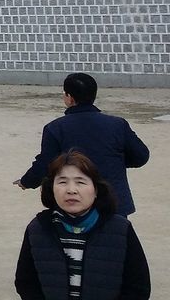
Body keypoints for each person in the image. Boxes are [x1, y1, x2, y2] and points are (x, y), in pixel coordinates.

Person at [15, 150, 150, 300]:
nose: (71, 190)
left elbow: (138, 287)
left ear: (96, 189)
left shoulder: (120, 229)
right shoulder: (38, 229)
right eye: (62, 182)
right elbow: (25, 282)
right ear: (51, 189)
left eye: (80, 182)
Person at [15, 73, 149, 215]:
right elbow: (141, 156)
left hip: (74, 205)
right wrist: (115, 161)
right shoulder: (117, 124)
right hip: (114, 202)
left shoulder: (56, 128)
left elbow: (46, 164)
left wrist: (27, 181)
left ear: (69, 98)